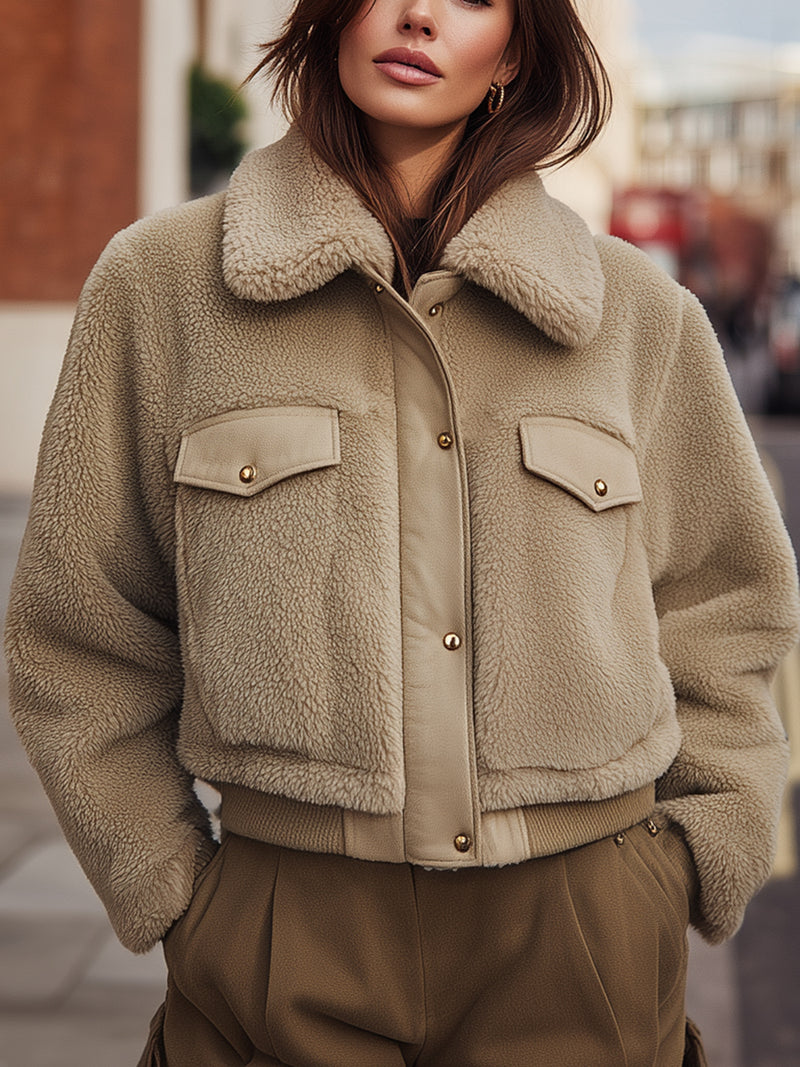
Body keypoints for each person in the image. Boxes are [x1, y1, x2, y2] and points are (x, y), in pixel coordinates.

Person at [5, 1, 799, 1064]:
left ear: (516, 49)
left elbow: (728, 603)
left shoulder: (638, 316)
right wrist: (171, 887)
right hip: (281, 934)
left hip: (582, 929)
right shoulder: (161, 287)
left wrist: (702, 852)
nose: (416, 13)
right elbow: (77, 625)